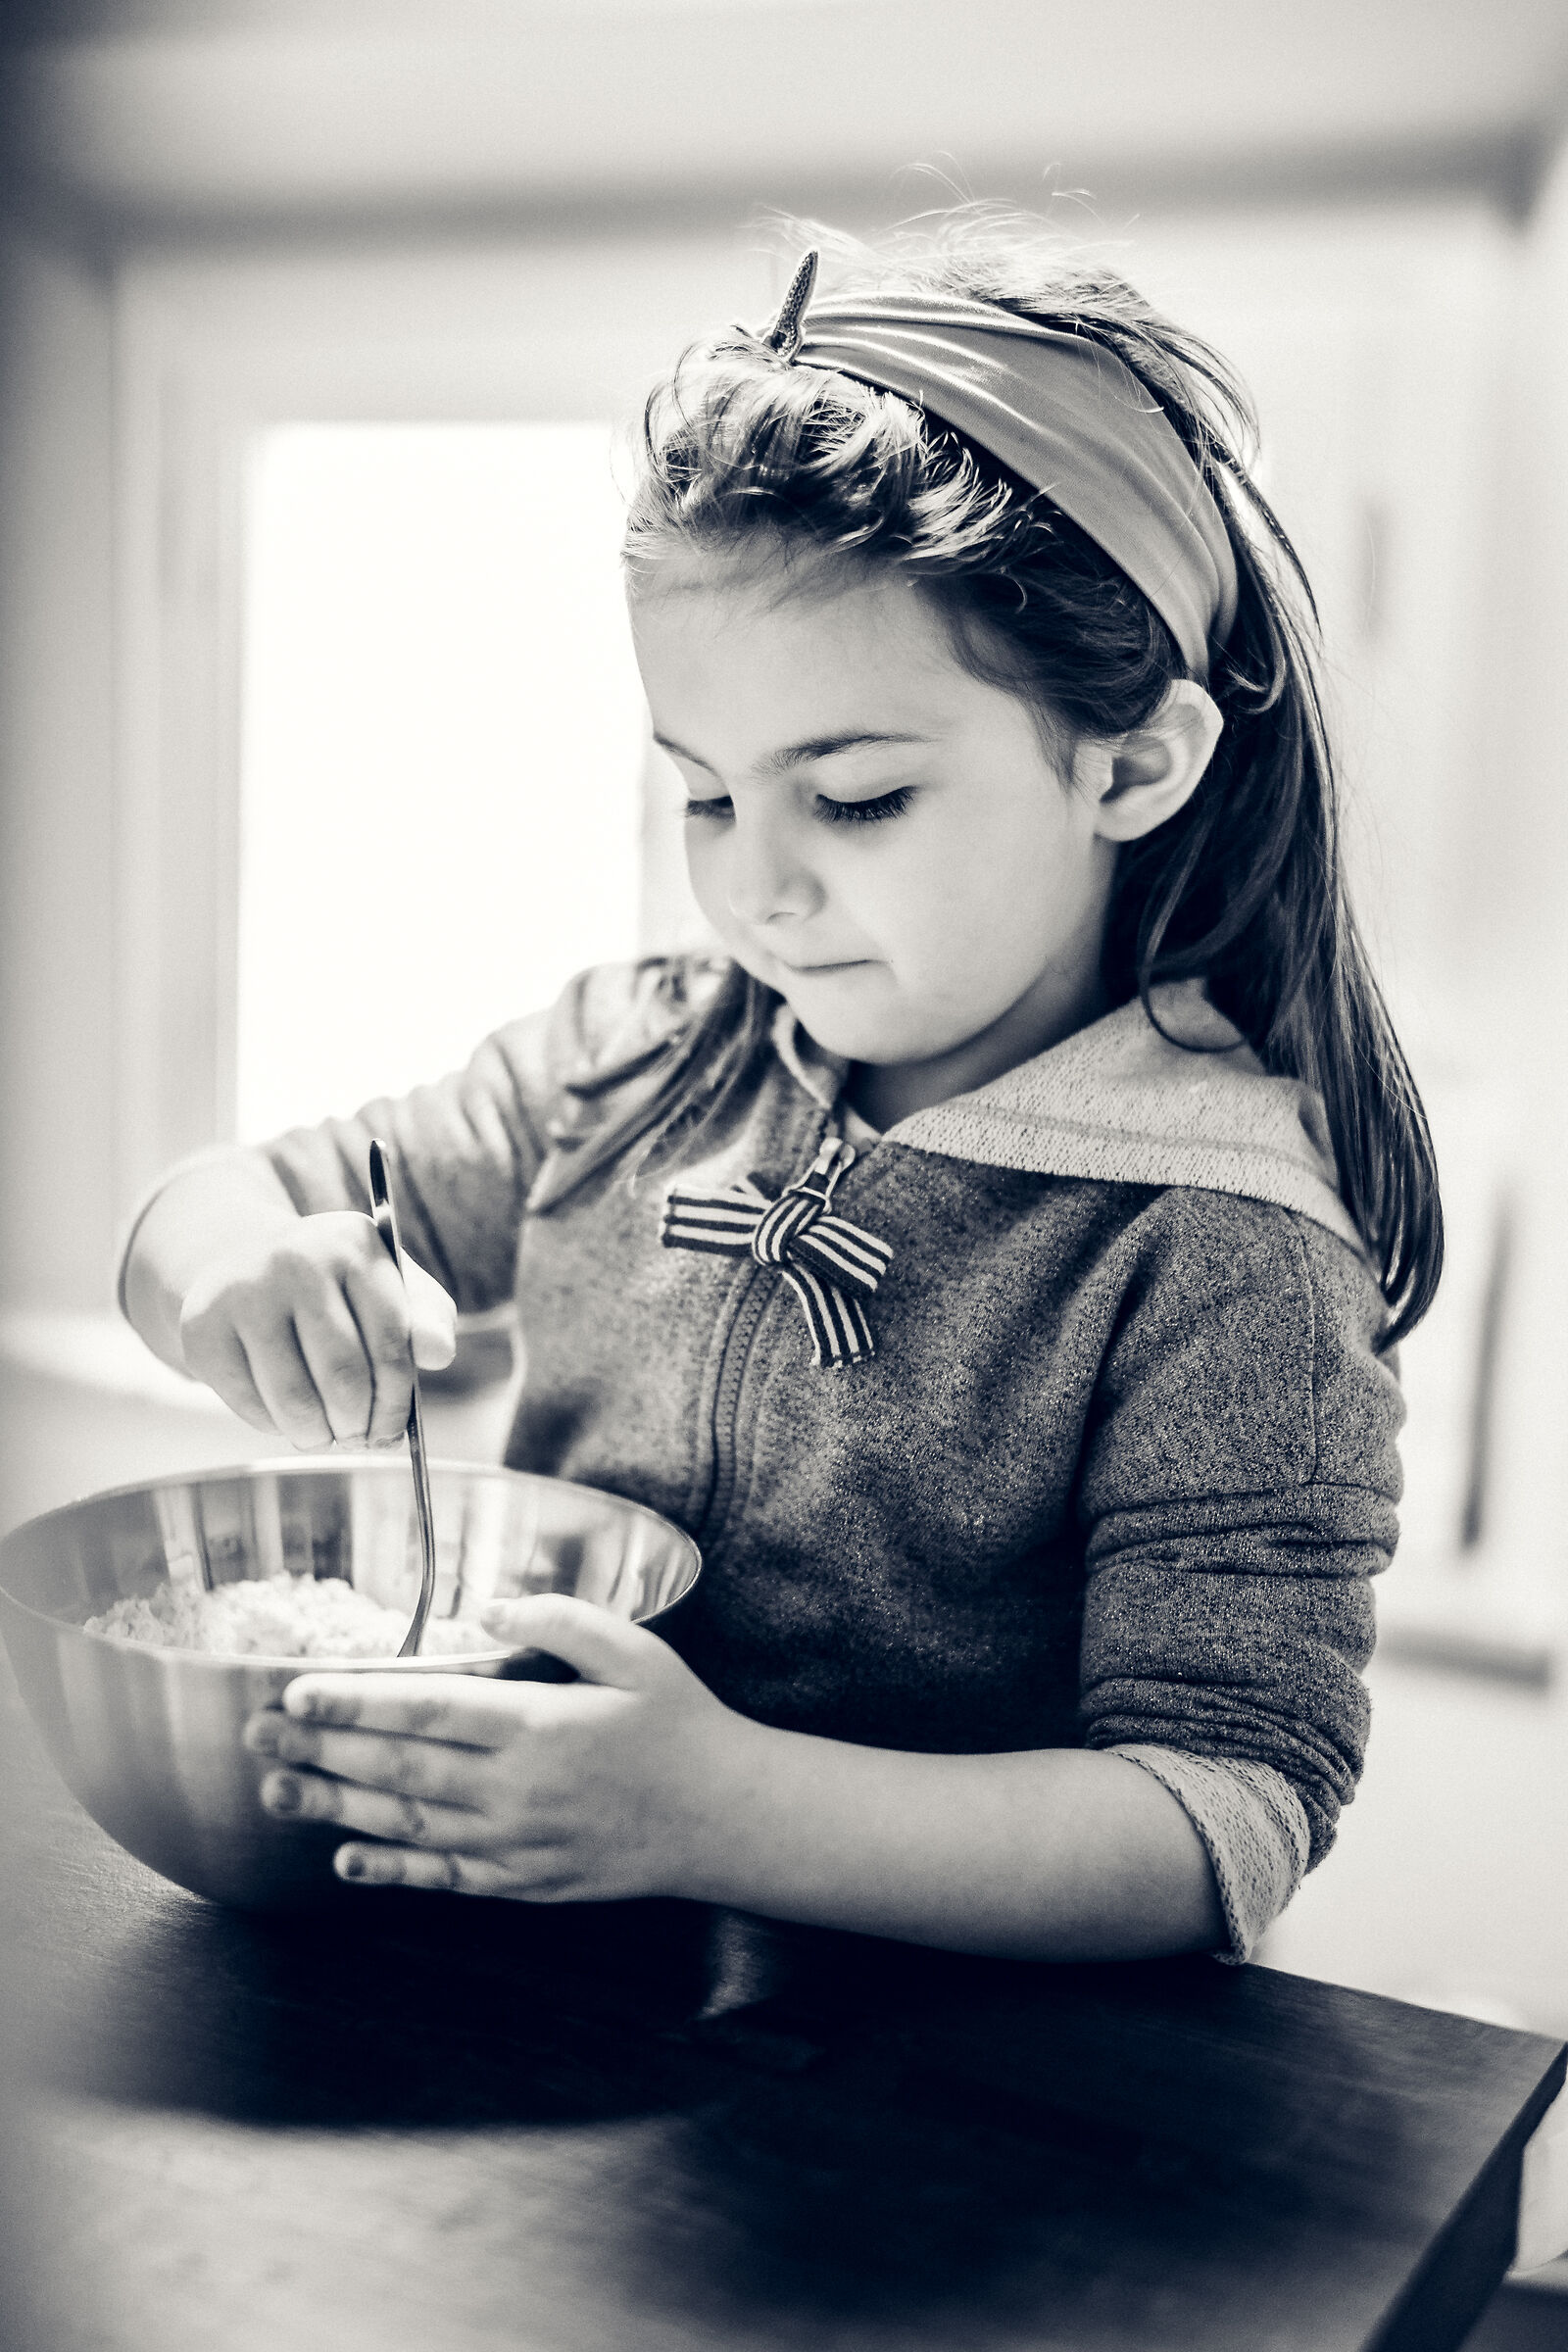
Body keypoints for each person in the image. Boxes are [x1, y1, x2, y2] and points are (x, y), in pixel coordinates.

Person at [120, 217, 1439, 1965]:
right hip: (543, 1986)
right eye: (706, 794)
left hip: (956, 2076)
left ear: (1131, 765)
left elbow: (1224, 1814)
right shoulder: (637, 1053)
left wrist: (710, 1809)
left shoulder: (1223, 1249)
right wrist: (235, 1267)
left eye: (859, 798)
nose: (755, 889)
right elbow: (221, 1205)